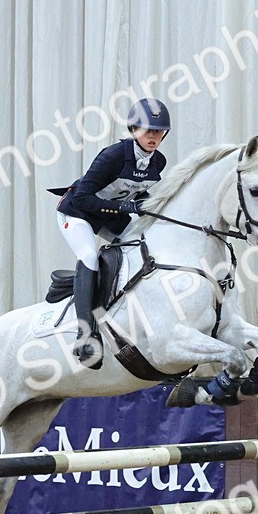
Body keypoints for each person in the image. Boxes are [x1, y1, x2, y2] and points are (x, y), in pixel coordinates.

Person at [54, 98, 170, 368]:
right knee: (88, 255)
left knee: (145, 249)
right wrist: (125, 207)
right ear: (133, 130)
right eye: (148, 130)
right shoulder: (113, 156)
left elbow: (136, 191)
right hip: (77, 213)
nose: (153, 137)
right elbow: (82, 198)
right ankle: (85, 335)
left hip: (109, 215)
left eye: (159, 131)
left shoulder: (158, 162)